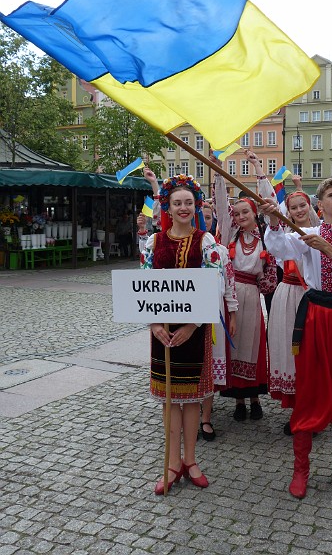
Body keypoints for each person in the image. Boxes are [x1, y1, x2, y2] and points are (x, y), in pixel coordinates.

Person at [261, 177, 332, 499]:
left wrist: (331, 252)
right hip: (315, 315)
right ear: (319, 205)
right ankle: (301, 471)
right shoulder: (307, 235)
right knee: (310, 388)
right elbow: (278, 247)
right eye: (331, 195)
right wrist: (272, 221)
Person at [138, 174, 228, 494]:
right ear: (168, 206)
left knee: (191, 400)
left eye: (188, 202)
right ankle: (172, 462)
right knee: (169, 400)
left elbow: (215, 286)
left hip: (195, 329)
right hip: (162, 331)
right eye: (177, 203)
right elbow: (144, 286)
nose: (183, 207)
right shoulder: (154, 242)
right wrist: (154, 324)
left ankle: (191, 460)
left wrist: (192, 325)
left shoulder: (206, 242)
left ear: (196, 205)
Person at [212, 150, 277, 422]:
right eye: (236, 213)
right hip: (231, 296)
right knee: (234, 346)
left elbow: (271, 204)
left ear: (254, 213)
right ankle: (238, 400)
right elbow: (221, 201)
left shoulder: (266, 237)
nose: (239, 216)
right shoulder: (230, 234)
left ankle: (254, 398)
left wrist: (258, 167)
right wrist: (217, 171)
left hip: (252, 295)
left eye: (245, 212)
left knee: (252, 346)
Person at [267, 184, 320, 434]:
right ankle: (297, 410)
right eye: (294, 207)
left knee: (314, 353)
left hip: (312, 297)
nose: (299, 210)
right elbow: (275, 246)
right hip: (287, 294)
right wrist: (273, 220)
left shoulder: (321, 232)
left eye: (302, 205)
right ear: (288, 211)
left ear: (310, 206)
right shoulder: (286, 234)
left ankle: (315, 409)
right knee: (290, 351)